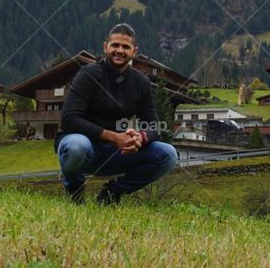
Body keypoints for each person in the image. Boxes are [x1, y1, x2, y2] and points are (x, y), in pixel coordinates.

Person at [55, 23, 178, 204]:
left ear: (134, 51)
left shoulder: (141, 82)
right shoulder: (88, 74)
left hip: (119, 153)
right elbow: (69, 120)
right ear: (106, 47)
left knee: (169, 154)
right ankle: (75, 194)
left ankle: (112, 194)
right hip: (85, 148)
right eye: (115, 45)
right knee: (75, 145)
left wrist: (140, 138)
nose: (119, 50)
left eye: (125, 47)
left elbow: (154, 126)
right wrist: (114, 137)